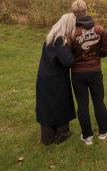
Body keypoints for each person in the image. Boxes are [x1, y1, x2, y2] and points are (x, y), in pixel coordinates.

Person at [68, 0, 107, 145]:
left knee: (82, 104)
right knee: (98, 101)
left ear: (73, 13)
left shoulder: (70, 33)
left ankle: (87, 136)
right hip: (95, 71)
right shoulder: (99, 29)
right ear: (86, 11)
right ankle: (103, 131)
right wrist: (96, 57)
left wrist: (78, 60)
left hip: (78, 74)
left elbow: (67, 55)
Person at [35, 13, 77, 145]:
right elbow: (68, 60)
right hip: (56, 79)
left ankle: (47, 136)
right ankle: (62, 134)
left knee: (46, 106)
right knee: (60, 104)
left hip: (44, 76)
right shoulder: (59, 40)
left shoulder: (51, 36)